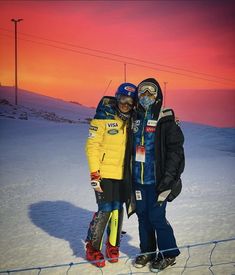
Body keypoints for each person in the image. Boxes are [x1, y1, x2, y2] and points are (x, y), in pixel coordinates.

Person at [131, 78, 185, 272]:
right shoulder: (134, 118)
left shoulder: (166, 119)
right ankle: (148, 251)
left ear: (157, 96)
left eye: (150, 92)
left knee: (157, 217)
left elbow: (176, 152)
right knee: (142, 216)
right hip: (138, 180)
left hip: (157, 182)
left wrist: (168, 179)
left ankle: (169, 254)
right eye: (142, 91)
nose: (146, 95)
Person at [85, 82, 137, 267]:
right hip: (104, 173)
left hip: (123, 174)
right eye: (123, 99)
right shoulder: (103, 115)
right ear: (117, 97)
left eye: (130, 101)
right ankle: (92, 248)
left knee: (117, 209)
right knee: (105, 208)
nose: (125, 104)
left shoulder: (133, 119)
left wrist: (171, 121)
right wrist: (94, 172)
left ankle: (113, 245)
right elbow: (92, 146)